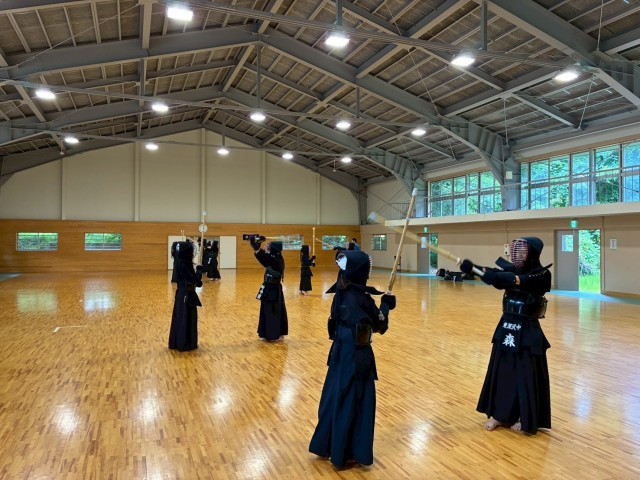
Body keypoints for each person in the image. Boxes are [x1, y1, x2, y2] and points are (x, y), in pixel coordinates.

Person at [309, 250, 395, 468]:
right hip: (356, 358)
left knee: (336, 397)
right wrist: (386, 305)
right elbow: (380, 325)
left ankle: (328, 444)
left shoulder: (341, 291)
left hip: (340, 354)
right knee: (353, 402)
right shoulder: (361, 299)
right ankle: (346, 451)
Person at [459, 237, 552, 434]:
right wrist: (473, 269)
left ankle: (524, 417)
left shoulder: (542, 274)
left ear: (533, 253)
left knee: (525, 373)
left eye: (523, 250)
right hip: (507, 325)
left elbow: (517, 280)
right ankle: (500, 415)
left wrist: (498, 278)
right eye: (516, 250)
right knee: (503, 370)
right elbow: (495, 274)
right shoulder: (512, 270)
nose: (518, 254)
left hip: (527, 329)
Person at [250, 236, 288, 341]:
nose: (267, 247)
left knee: (273, 311)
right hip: (269, 287)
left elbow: (265, 258)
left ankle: (273, 334)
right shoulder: (273, 258)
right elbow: (265, 259)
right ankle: (266, 332)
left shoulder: (277, 260)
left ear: (273, 249)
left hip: (273, 289)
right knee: (266, 310)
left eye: (269, 246)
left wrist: (257, 249)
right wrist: (258, 249)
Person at [168, 240, 204, 351]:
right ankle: (184, 343)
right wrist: (199, 270)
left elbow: (195, 282)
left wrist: (198, 279)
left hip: (183, 294)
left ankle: (180, 342)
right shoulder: (184, 264)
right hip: (186, 295)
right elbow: (194, 280)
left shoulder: (179, 262)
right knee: (185, 319)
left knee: (181, 318)